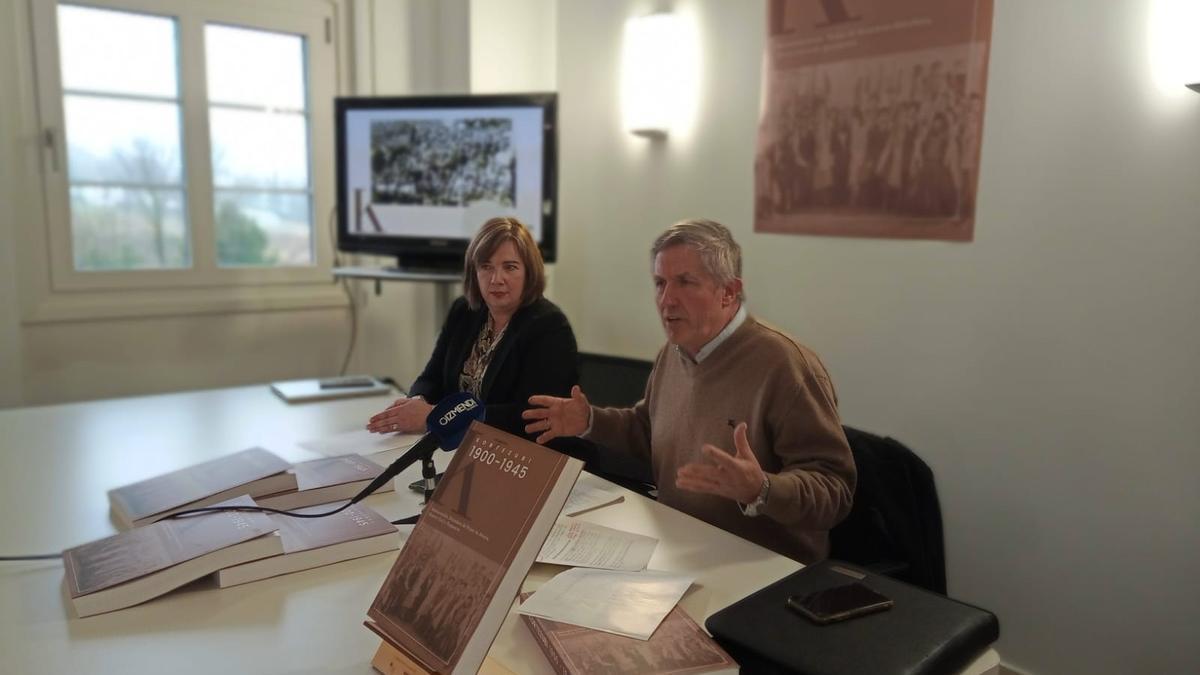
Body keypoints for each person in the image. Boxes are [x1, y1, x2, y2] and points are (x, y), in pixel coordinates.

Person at [523, 219, 855, 563]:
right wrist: (589, 421)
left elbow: (835, 490)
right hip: (678, 546)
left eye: (685, 282)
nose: (666, 300)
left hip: (762, 568)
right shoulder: (674, 351)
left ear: (729, 292)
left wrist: (762, 490)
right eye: (660, 283)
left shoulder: (786, 366)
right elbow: (648, 431)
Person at [367, 217, 579, 441]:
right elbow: (431, 377)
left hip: (523, 451)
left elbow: (528, 416)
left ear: (529, 272)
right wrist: (417, 402)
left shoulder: (550, 326)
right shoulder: (464, 310)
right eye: (486, 266)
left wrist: (435, 416)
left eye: (510, 267)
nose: (496, 279)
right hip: (459, 443)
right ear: (474, 272)